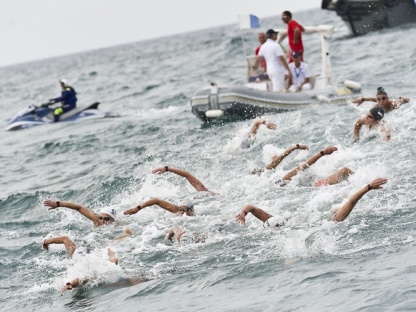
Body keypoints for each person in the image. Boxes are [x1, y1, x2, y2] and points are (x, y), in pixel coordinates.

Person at [235, 178, 387, 227]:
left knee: (338, 215)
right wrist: (243, 212)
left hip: (320, 222)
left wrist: (368, 187)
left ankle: (337, 207)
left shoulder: (328, 224)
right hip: (309, 220)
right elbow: (251, 207)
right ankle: (336, 207)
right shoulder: (274, 222)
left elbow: (353, 201)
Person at [42, 236, 145, 292]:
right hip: (98, 265)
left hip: (91, 268)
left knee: (109, 266)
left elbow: (65, 238)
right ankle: (110, 252)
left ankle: (111, 253)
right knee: (113, 263)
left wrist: (46, 241)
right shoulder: (81, 258)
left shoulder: (77, 257)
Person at [276, 146, 353, 187]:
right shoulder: (279, 183)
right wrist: (322, 153)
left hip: (314, 185)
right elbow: (304, 166)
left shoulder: (278, 183)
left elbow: (304, 166)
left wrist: (323, 153)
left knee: (345, 170)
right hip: (316, 186)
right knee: (345, 170)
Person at [152, 166, 216, 198]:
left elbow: (187, 175)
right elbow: (187, 175)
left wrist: (167, 169)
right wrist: (167, 169)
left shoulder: (207, 194)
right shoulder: (205, 192)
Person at [43, 199, 117, 227]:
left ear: (112, 220)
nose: (103, 220)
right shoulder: (97, 220)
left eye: (106, 219)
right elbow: (79, 208)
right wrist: (58, 204)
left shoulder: (116, 226)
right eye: (101, 217)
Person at [124, 198, 195, 217]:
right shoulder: (176, 210)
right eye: (181, 209)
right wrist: (137, 208)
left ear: (191, 211)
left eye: (185, 210)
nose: (182, 212)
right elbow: (156, 200)